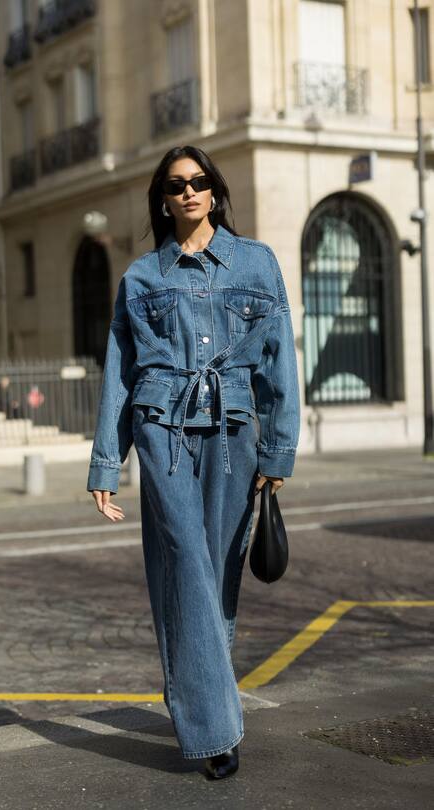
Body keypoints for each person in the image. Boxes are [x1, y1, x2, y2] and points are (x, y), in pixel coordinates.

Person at [86, 145, 300, 779]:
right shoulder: (142, 278)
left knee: (217, 576)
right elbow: (119, 375)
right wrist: (106, 463)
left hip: (235, 433)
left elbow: (280, 361)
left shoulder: (258, 264)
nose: (189, 192)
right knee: (184, 567)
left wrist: (278, 447)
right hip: (163, 433)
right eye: (176, 184)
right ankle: (212, 727)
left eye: (199, 182)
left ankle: (199, 699)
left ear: (215, 190)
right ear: (163, 196)